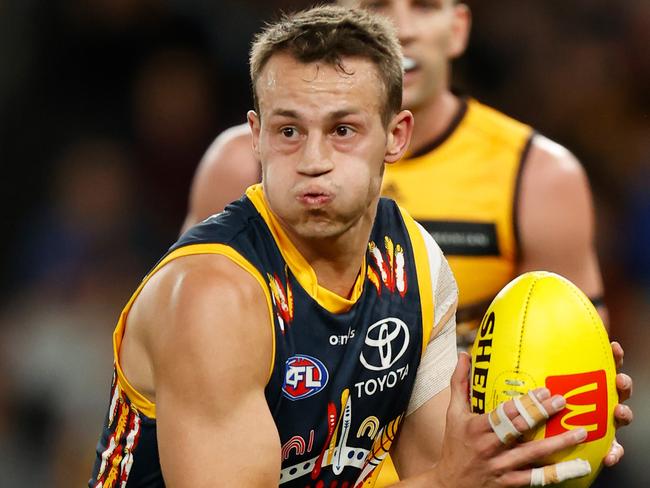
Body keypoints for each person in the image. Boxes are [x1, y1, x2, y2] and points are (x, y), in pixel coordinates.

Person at [88, 7, 631, 487]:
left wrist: (534, 437)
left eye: (343, 130)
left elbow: (440, 466)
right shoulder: (209, 295)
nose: (313, 160)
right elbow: (442, 482)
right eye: (289, 132)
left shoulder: (415, 262)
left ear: (396, 136)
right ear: (254, 136)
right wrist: (450, 482)